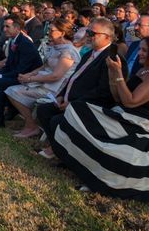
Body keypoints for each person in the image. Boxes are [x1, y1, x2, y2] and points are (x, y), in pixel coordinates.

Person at [50, 37, 149, 199]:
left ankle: (97, 177)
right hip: (122, 113)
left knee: (77, 112)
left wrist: (118, 74)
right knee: (77, 110)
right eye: (140, 49)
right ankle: (79, 163)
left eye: (144, 50)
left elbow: (131, 102)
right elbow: (118, 97)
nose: (140, 52)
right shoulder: (142, 71)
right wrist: (112, 75)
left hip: (137, 123)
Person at [36, 18, 126, 159]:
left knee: (57, 120)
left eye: (92, 33)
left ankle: (62, 152)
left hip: (89, 106)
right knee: (44, 110)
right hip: (70, 100)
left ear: (107, 37)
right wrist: (61, 95)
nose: (88, 35)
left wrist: (73, 103)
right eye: (88, 31)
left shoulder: (112, 59)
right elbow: (73, 78)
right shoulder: (89, 54)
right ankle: (57, 147)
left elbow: (103, 92)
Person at [5, 18, 80, 138]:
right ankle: (30, 123)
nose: (48, 32)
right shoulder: (56, 46)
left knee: (12, 91)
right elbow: (44, 66)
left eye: (51, 30)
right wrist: (30, 74)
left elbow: (56, 76)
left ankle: (31, 126)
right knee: (11, 88)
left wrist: (30, 79)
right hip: (43, 81)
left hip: (55, 89)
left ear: (62, 33)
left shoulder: (68, 52)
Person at [0, 15, 43, 131]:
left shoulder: (25, 43)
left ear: (17, 28)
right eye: (4, 26)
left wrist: (0, 76)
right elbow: (9, 64)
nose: (4, 29)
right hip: (18, 73)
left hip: (28, 77)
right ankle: (7, 109)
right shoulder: (15, 40)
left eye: (7, 27)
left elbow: (22, 70)